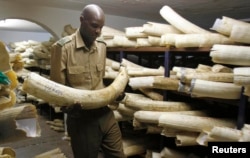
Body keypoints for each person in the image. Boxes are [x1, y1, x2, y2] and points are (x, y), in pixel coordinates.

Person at [50, 4, 125, 158]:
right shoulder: (63, 48)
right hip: (81, 120)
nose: (98, 31)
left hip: (105, 114)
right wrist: (68, 108)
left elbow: (100, 81)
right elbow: (56, 92)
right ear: (81, 20)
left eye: (101, 27)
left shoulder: (102, 46)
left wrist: (114, 94)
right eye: (94, 26)